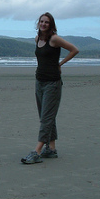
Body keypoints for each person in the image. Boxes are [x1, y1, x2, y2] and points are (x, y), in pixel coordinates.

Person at [21, 12, 79, 164]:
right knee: (46, 116)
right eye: (41, 21)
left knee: (46, 118)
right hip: (39, 82)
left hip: (52, 84)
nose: (43, 24)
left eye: (47, 22)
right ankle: (51, 149)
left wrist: (60, 64)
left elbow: (74, 49)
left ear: (51, 25)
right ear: (38, 23)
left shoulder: (54, 39)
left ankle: (37, 151)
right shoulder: (37, 39)